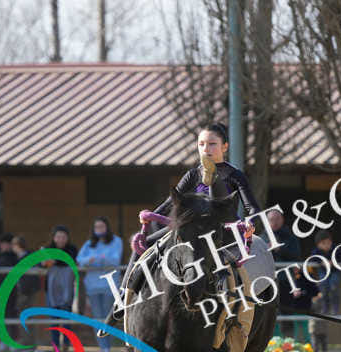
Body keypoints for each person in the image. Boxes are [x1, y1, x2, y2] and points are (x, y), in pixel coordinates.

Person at [100, 123, 263, 334]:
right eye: (201, 144)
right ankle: (122, 300)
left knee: (224, 267)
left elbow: (252, 208)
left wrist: (250, 222)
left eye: (212, 144)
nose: (206, 149)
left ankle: (231, 318)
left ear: (225, 146)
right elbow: (171, 203)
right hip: (191, 231)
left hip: (222, 233)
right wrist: (150, 215)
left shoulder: (235, 175)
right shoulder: (192, 174)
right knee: (144, 245)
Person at [77, 217, 123, 352]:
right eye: (97, 227)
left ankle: (108, 348)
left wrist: (95, 259)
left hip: (109, 285)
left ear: (107, 227)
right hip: (92, 286)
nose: (99, 230)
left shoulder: (116, 241)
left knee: (108, 317)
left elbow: (114, 260)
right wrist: (95, 259)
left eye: (102, 226)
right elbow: (80, 260)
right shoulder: (89, 244)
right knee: (97, 318)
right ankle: (103, 349)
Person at [42, 225, 78, 352]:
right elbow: (42, 263)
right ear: (54, 238)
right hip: (51, 289)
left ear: (67, 238)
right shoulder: (47, 248)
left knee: (66, 318)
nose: (61, 239)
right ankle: (55, 345)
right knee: (54, 319)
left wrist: (53, 260)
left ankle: (66, 345)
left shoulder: (72, 249)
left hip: (67, 288)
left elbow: (69, 260)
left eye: (63, 237)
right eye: (58, 236)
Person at [307, 230, 340, 352]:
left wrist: (333, 262)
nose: (326, 246)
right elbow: (313, 259)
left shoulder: (335, 249)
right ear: (318, 245)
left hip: (334, 273)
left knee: (334, 287)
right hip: (323, 275)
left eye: (328, 243)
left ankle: (334, 308)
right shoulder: (316, 252)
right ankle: (326, 308)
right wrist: (322, 262)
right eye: (323, 243)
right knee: (324, 288)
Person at [0, 234, 19, 352]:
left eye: (7, 244)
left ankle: (13, 341)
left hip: (12, 290)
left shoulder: (14, 257)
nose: (4, 246)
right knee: (1, 315)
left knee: (12, 314)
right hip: (0, 290)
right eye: (2, 243)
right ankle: (3, 341)